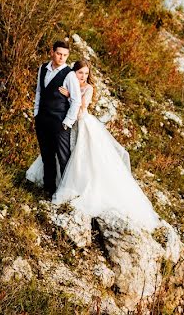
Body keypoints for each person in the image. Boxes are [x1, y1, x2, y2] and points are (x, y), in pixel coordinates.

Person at [28, 60, 161, 230]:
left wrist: (69, 96)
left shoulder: (87, 88)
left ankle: (75, 186)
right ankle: (54, 182)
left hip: (81, 124)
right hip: (65, 123)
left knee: (81, 157)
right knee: (60, 153)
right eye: (80, 73)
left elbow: (82, 107)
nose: (82, 76)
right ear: (73, 73)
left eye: (85, 73)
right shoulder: (67, 80)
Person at [31, 40, 82, 195]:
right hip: (42, 119)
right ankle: (49, 190)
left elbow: (76, 100)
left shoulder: (69, 74)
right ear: (52, 52)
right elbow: (39, 92)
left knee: (63, 157)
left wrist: (67, 122)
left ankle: (67, 192)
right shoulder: (43, 68)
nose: (61, 58)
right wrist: (36, 113)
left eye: (65, 55)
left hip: (60, 121)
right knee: (47, 156)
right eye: (59, 54)